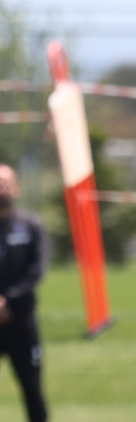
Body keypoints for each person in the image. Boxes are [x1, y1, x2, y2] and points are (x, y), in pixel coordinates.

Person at [0, 163, 49, 422]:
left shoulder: (31, 226)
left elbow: (37, 270)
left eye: (5, 183)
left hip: (21, 322)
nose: (1, 189)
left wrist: (8, 300)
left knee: (33, 390)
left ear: (16, 188)